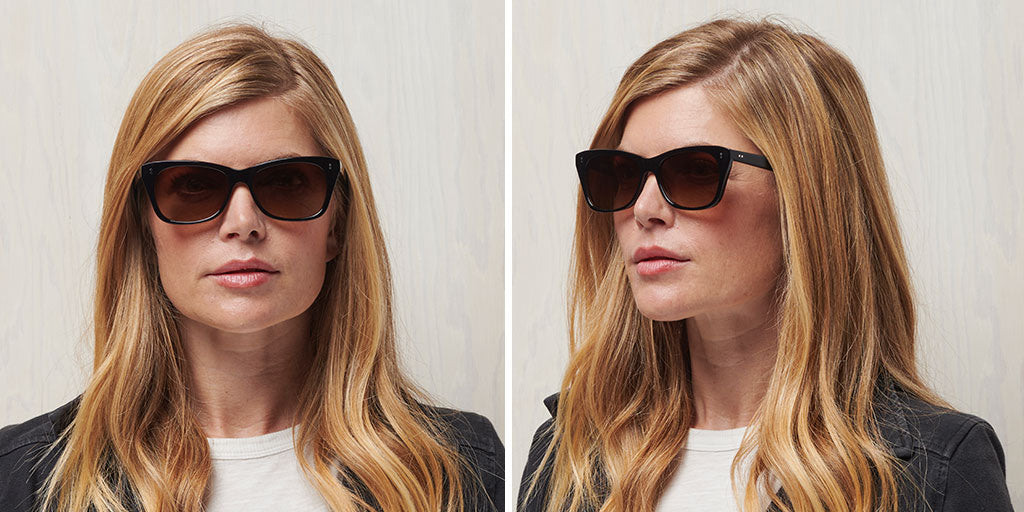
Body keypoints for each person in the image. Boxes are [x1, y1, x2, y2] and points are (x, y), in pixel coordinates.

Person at [0, 23, 502, 512]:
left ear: (337, 224)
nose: (243, 224)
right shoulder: (21, 480)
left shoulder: (467, 471)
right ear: (143, 226)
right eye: (194, 185)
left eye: (286, 182)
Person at [518, 17, 1011, 512]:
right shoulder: (567, 457)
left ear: (805, 196)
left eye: (695, 171)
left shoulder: (938, 471)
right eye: (623, 175)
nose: (644, 209)